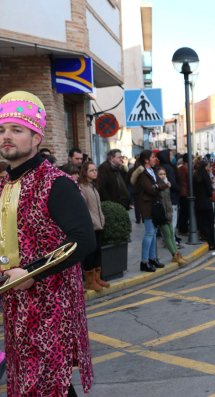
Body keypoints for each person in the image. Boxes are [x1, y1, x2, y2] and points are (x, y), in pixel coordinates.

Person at [0, 91, 95, 395]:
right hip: (15, 307)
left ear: (36, 136)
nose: (6, 137)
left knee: (47, 385)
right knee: (29, 384)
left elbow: (83, 241)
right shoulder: (4, 183)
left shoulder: (57, 183)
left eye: (16, 130)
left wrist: (31, 273)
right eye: (2, 130)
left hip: (51, 307)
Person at [132, 150, 167, 272]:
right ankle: (144, 261)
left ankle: (152, 258)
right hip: (147, 206)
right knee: (149, 233)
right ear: (146, 160)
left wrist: (157, 186)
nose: (155, 159)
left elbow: (163, 184)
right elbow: (150, 189)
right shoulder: (143, 173)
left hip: (155, 205)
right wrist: (158, 186)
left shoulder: (152, 171)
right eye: (152, 157)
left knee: (153, 232)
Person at [79, 161, 110, 292]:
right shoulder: (82, 187)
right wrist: (92, 222)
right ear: (85, 172)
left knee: (97, 252)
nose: (95, 172)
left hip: (98, 224)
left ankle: (97, 278)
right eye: (91, 170)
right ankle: (90, 281)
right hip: (91, 226)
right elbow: (83, 209)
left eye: (95, 170)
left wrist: (101, 219)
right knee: (90, 254)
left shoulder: (93, 186)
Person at [154, 166, 187, 265]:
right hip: (162, 213)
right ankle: (174, 255)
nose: (163, 176)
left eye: (164, 174)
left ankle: (176, 254)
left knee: (171, 234)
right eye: (160, 174)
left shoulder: (167, 184)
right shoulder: (158, 186)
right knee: (167, 235)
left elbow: (168, 200)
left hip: (168, 211)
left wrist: (170, 212)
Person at [193, 160, 215, 251]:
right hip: (206, 203)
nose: (210, 168)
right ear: (205, 167)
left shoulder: (194, 175)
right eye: (209, 166)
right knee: (210, 224)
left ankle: (208, 241)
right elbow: (209, 190)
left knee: (203, 224)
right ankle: (212, 243)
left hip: (198, 203)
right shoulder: (205, 175)